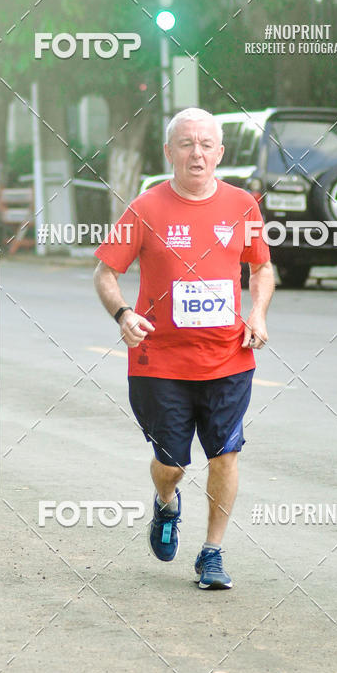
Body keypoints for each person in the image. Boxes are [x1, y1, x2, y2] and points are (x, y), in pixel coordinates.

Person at [94, 107, 274, 590]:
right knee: (171, 463)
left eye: (206, 144)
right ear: (169, 152)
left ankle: (213, 553)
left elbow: (261, 268)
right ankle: (167, 503)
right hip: (160, 362)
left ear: (220, 152)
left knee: (226, 453)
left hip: (228, 356)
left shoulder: (243, 206)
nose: (197, 153)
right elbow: (106, 272)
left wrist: (257, 312)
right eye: (186, 144)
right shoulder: (146, 208)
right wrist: (123, 314)